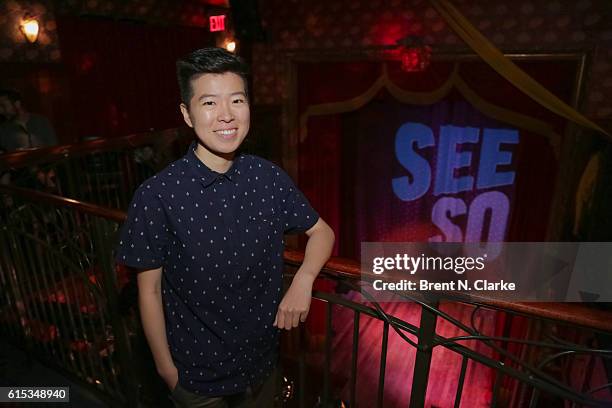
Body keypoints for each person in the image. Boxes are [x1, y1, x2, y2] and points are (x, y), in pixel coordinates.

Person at [115, 47, 335, 408]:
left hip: (262, 362)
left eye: (237, 100)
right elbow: (149, 292)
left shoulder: (268, 178)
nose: (227, 116)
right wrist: (168, 374)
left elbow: (322, 232)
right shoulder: (157, 195)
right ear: (187, 114)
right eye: (209, 103)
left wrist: (304, 280)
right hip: (197, 376)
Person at [0, 89, 57, 153]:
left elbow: (54, 149)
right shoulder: (3, 129)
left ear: (17, 104)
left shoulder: (41, 121)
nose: (1, 111)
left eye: (3, 106)